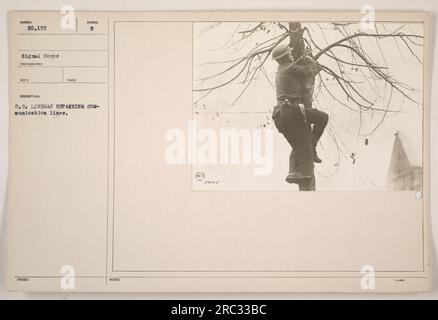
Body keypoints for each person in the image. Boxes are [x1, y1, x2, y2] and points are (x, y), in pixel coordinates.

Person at [271, 43, 328, 186]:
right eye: (289, 53)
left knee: (299, 145)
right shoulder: (290, 67)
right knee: (322, 118)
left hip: (280, 116)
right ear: (286, 56)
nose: (291, 54)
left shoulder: (281, 69)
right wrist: (308, 57)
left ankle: (293, 173)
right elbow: (311, 71)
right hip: (291, 112)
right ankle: (313, 146)